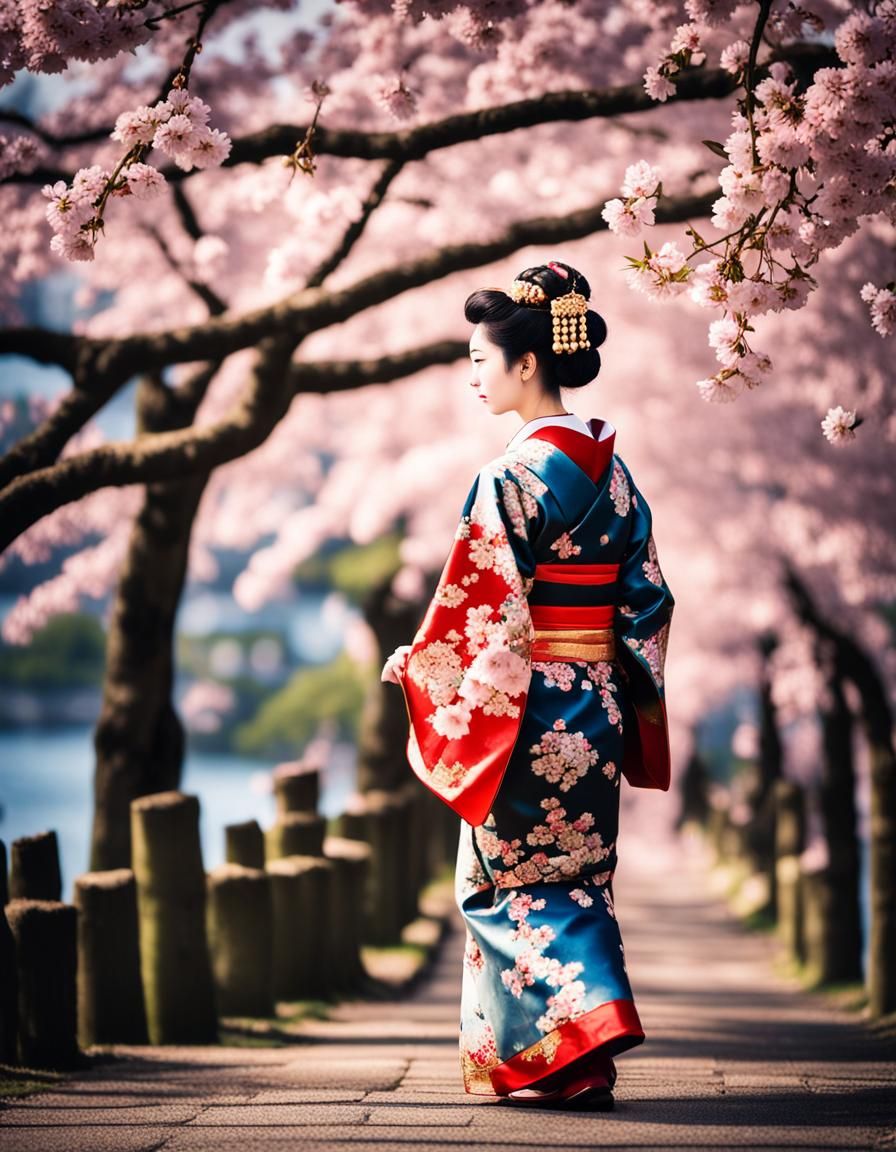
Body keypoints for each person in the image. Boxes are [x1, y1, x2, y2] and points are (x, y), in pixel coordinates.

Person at [381, 260, 674, 1110]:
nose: (473, 375)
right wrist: (609, 683)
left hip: (525, 711)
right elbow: (649, 599)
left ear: (524, 365)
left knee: (506, 880)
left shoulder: (508, 478)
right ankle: (565, 1055)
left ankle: (577, 1050)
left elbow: (485, 611)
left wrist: (428, 667)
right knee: (577, 875)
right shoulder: (616, 478)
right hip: (595, 709)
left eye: (480, 359)